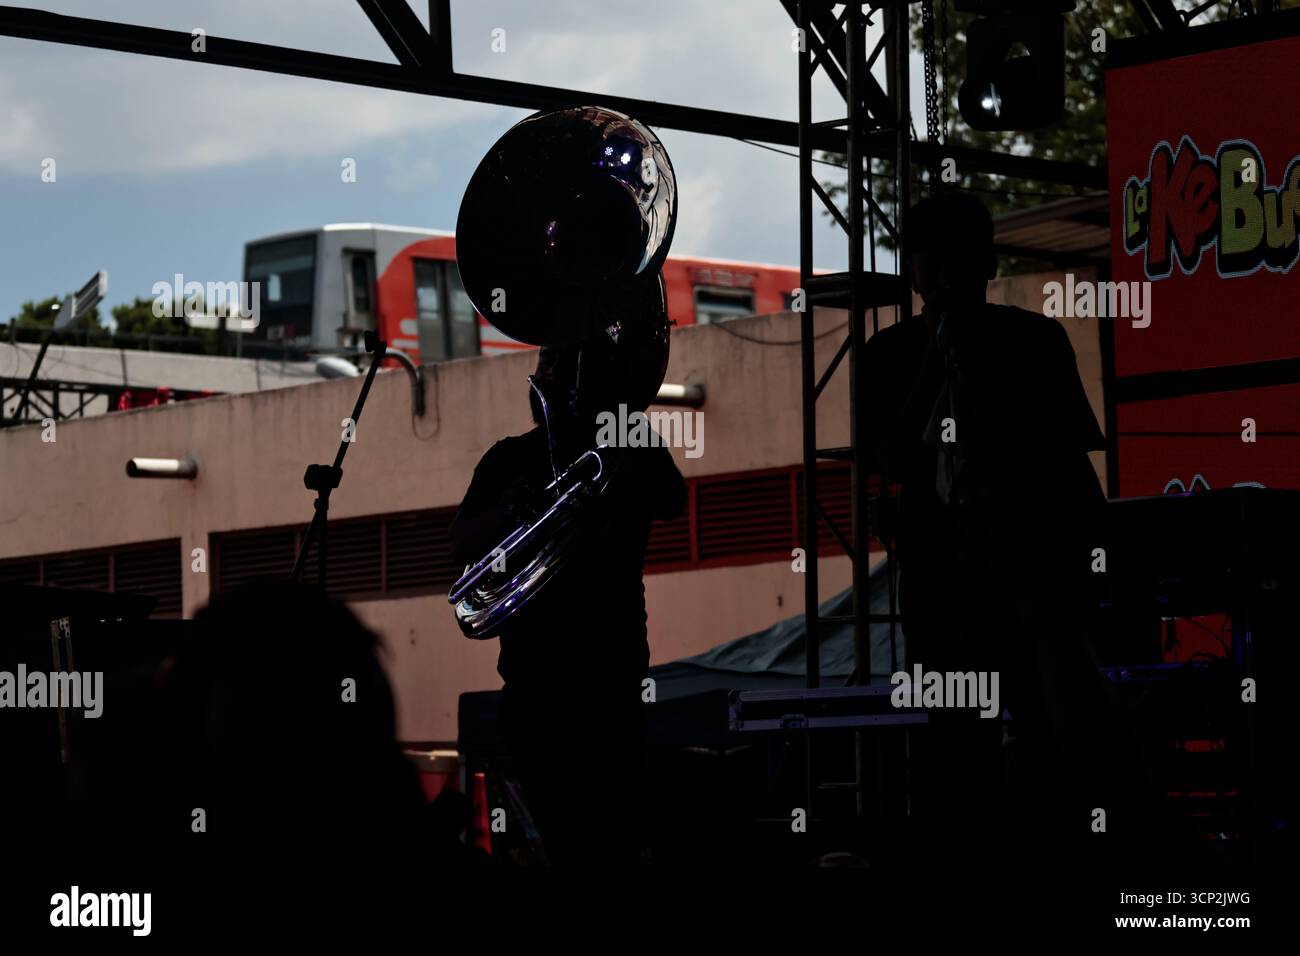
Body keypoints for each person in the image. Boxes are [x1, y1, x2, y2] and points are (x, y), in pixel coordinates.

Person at [863, 193, 1109, 871]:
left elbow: (1065, 462)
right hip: (945, 581)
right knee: (953, 747)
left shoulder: (1032, 340)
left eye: (955, 261)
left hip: (1027, 573)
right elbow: (886, 455)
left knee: (1045, 734)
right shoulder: (889, 355)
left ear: (987, 264)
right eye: (931, 260)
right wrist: (936, 356)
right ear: (915, 270)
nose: (941, 275)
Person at [450, 343, 686, 867]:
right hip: (534, 686)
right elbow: (461, 542)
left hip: (610, 679)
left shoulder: (626, 441)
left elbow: (673, 500)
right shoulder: (508, 457)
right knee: (566, 844)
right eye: (545, 363)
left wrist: (620, 414)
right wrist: (510, 509)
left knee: (611, 842)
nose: (548, 374)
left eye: (564, 361)